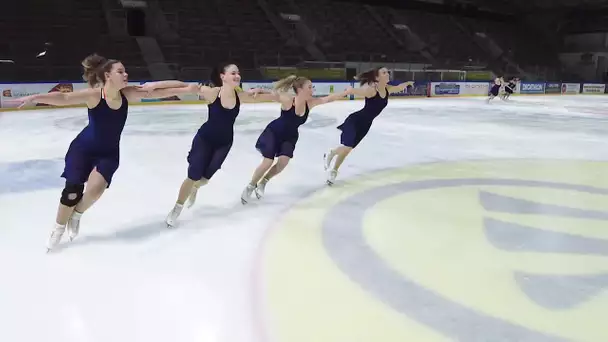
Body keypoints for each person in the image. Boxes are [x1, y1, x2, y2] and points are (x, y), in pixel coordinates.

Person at [13, 53, 197, 251]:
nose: (125, 74)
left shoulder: (128, 94)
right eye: (120, 71)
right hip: (83, 149)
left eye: (125, 71)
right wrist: (35, 97)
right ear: (108, 75)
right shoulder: (95, 95)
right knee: (72, 193)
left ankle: (77, 214)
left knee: (96, 190)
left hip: (108, 152)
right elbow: (64, 97)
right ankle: (58, 229)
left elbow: (156, 92)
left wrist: (185, 87)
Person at [164, 63, 274, 227]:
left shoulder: (240, 96)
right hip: (205, 140)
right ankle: (176, 208)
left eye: (238, 73)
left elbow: (272, 97)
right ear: (223, 77)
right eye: (233, 73)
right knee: (193, 175)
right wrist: (153, 88)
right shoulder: (213, 93)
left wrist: (264, 91)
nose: (237, 75)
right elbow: (181, 88)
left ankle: (195, 188)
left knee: (204, 180)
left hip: (224, 143)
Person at [240, 75, 351, 204]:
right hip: (274, 132)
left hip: (291, 136)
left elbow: (329, 99)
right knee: (267, 162)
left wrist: (346, 93)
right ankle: (251, 186)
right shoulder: (288, 101)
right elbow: (272, 95)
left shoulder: (310, 103)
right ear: (300, 89)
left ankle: (264, 181)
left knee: (283, 163)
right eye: (309, 87)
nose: (312, 90)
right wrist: (258, 90)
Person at [322, 67, 411, 185]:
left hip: (366, 125)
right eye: (384, 73)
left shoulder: (387, 88)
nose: (388, 74)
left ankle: (333, 166)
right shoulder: (371, 90)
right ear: (377, 78)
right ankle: (332, 157)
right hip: (355, 121)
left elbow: (399, 88)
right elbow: (356, 91)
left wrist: (408, 83)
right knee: (347, 147)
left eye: (387, 72)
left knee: (348, 149)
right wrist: (348, 91)